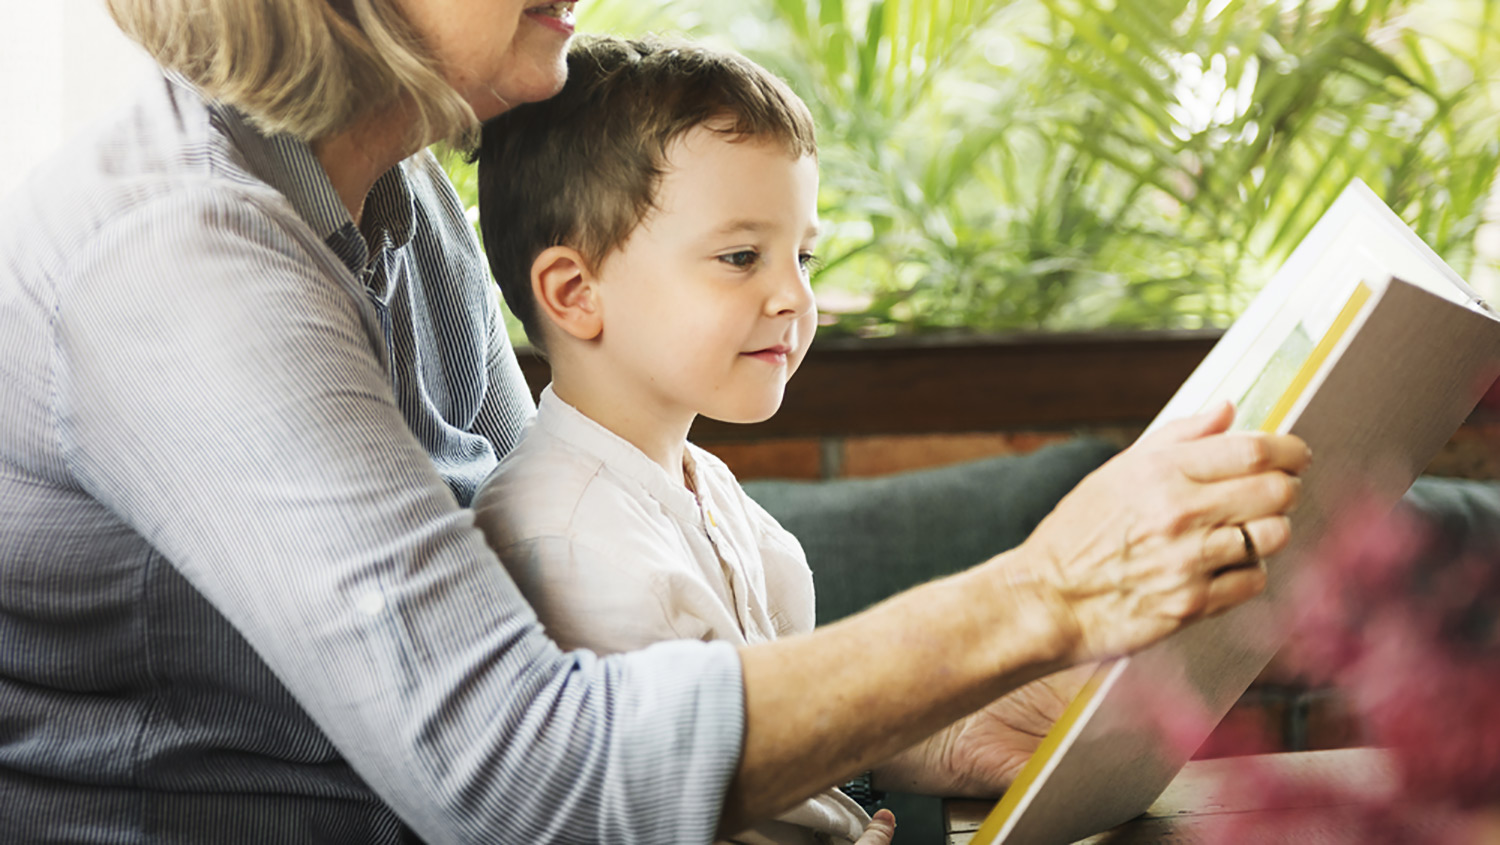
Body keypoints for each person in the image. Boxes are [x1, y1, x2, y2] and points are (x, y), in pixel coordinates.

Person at [0, 0, 1309, 842]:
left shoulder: (400, 201)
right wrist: (1048, 593)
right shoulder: (181, 255)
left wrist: (945, 716)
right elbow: (519, 775)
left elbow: (558, 627)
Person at [468, 35, 884, 844]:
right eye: (741, 257)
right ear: (576, 292)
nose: (796, 297)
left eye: (803, 256)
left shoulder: (703, 485)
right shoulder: (569, 542)